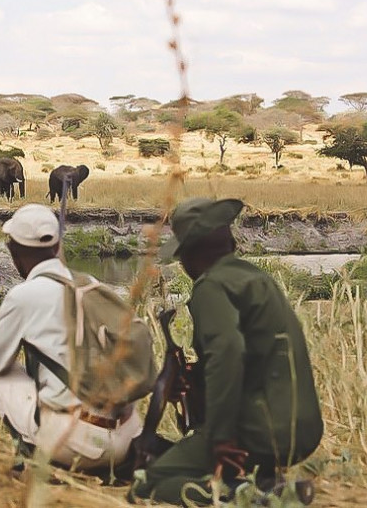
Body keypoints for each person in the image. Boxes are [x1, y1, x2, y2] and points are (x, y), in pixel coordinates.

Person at [131, 197, 323, 505]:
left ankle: (252, 497)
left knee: (148, 484)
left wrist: (220, 436)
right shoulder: (256, 278)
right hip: (305, 430)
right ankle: (265, 479)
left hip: (262, 430)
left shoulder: (211, 286)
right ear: (230, 241)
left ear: (191, 254)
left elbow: (227, 354)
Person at [0, 204, 142, 475]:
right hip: (125, 440)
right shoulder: (90, 284)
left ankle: (30, 456)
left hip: (75, 445)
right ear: (57, 246)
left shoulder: (25, 295)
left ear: (14, 251)